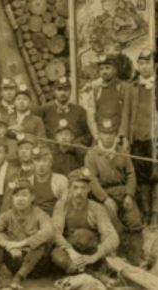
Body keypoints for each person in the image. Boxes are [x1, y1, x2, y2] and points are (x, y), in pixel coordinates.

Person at [84, 117, 144, 265]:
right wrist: (105, 199)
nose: (108, 137)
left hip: (123, 192)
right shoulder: (92, 154)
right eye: (104, 133)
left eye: (111, 133)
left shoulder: (122, 152)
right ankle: (117, 259)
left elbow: (131, 174)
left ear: (115, 135)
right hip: (103, 195)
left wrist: (129, 195)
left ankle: (136, 258)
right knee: (113, 224)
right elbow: (92, 180)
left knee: (134, 221)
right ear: (99, 134)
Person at [0, 178, 54, 290]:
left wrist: (20, 244)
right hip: (15, 260)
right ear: (12, 198)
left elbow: (49, 231)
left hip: (37, 266)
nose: (20, 199)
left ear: (32, 197)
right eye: (16, 195)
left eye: (24, 195)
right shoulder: (8, 215)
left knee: (39, 244)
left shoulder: (39, 214)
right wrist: (6, 244)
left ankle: (19, 279)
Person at [51, 168, 119, 274]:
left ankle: (86, 270)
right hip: (70, 250)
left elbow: (112, 237)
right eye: (75, 187)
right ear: (69, 189)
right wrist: (71, 252)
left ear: (89, 189)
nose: (79, 192)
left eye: (83, 188)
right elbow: (55, 232)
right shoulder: (62, 205)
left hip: (90, 250)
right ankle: (89, 272)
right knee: (56, 255)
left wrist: (94, 257)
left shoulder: (97, 208)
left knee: (82, 235)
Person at [126, 49, 156, 224]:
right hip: (138, 138)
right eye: (142, 63)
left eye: (148, 63)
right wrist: (124, 136)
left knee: (156, 174)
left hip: (155, 139)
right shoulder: (133, 87)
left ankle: (155, 213)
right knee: (142, 177)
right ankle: (145, 213)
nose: (145, 67)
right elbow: (126, 113)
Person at [2, 145, 68, 216]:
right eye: (37, 161)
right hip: (32, 220)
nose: (41, 164)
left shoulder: (60, 181)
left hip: (54, 219)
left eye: (45, 161)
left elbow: (65, 206)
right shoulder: (29, 181)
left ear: (50, 163)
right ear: (33, 163)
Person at [36, 77, 90, 144]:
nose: (63, 93)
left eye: (66, 90)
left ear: (70, 91)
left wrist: (76, 145)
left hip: (73, 152)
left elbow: (87, 135)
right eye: (59, 89)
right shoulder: (44, 110)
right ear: (54, 91)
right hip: (52, 152)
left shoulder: (80, 111)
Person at [88, 54, 130, 140]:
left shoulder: (123, 88)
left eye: (107, 68)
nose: (104, 71)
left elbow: (126, 113)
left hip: (118, 134)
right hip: (101, 134)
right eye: (101, 69)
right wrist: (95, 134)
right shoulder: (96, 89)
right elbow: (91, 114)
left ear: (115, 70)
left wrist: (122, 135)